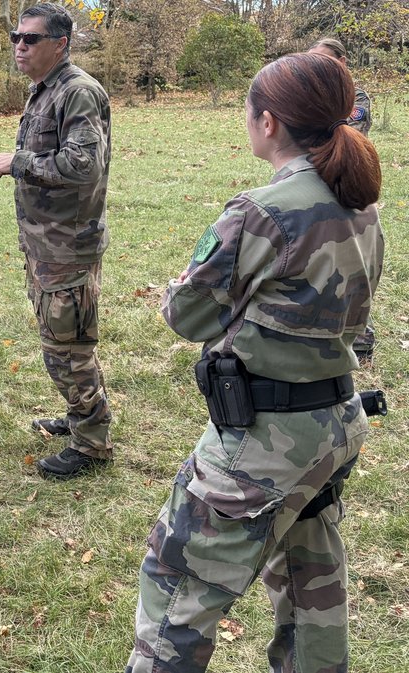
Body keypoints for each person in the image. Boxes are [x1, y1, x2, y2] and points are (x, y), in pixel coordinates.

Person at [125, 52, 383, 673]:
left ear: (268, 123)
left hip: (267, 438)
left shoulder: (261, 210)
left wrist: (178, 287)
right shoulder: (359, 202)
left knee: (176, 581)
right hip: (334, 421)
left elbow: (189, 316)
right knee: (309, 582)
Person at [0, 2, 112, 480]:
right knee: (62, 343)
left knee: (68, 349)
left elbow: (83, 166)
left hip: (68, 247)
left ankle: (92, 443)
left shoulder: (78, 92)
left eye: (30, 39)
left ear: (60, 43)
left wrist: (16, 163)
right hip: (45, 245)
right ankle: (81, 418)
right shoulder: (44, 91)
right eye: (16, 37)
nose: (19, 46)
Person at [308, 36, 378, 363]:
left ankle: (361, 339)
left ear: (342, 61)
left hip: (347, 188)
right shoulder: (313, 95)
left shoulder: (355, 97)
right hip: (313, 189)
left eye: (325, 59)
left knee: (353, 266)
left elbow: (348, 135)